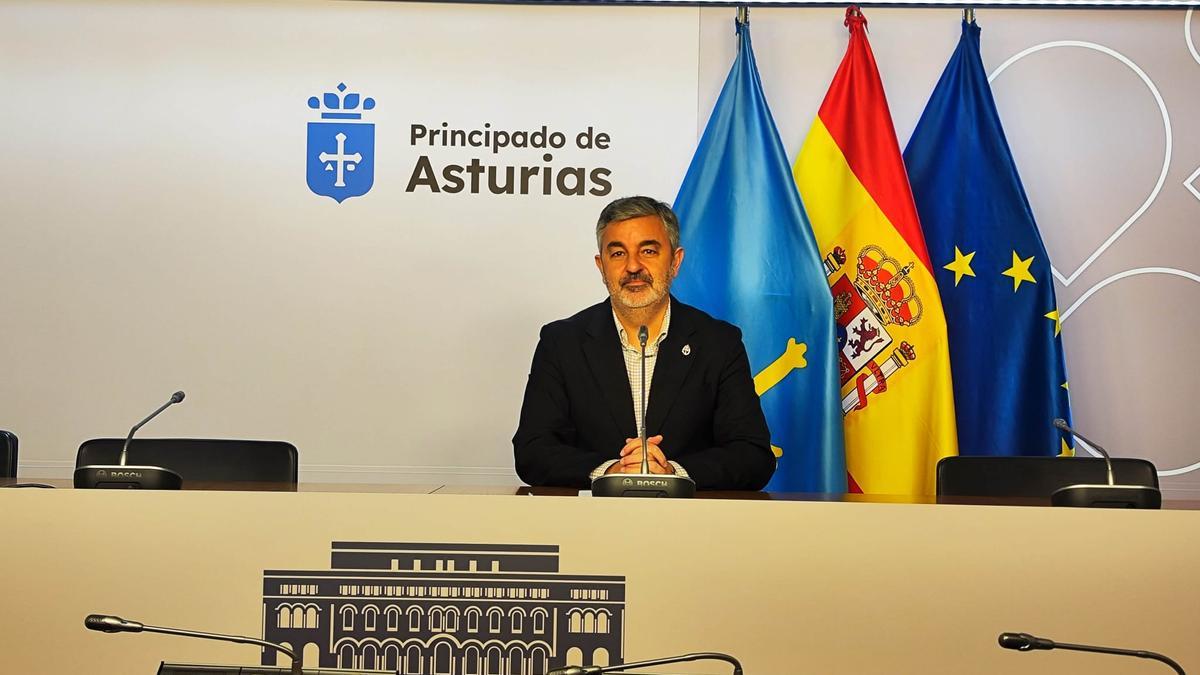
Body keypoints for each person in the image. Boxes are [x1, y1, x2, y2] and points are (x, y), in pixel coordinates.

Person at [513, 196, 775, 490]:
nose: (633, 266)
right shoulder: (562, 342)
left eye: (648, 251)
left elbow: (753, 456)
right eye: (618, 254)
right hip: (592, 516)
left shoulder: (718, 342)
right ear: (601, 266)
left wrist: (672, 472)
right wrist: (611, 471)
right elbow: (532, 451)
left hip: (689, 515)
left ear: (675, 262)